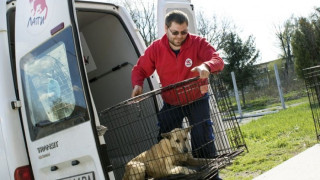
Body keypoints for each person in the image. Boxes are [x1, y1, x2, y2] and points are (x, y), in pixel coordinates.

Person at [131, 10, 224, 179]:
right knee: (165, 140)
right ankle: (173, 175)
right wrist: (138, 84)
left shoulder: (198, 43)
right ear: (166, 29)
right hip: (172, 102)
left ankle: (210, 176)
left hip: (197, 98)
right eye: (175, 32)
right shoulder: (156, 48)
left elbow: (218, 60)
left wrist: (207, 66)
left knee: (202, 136)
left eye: (183, 32)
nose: (179, 36)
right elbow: (140, 69)